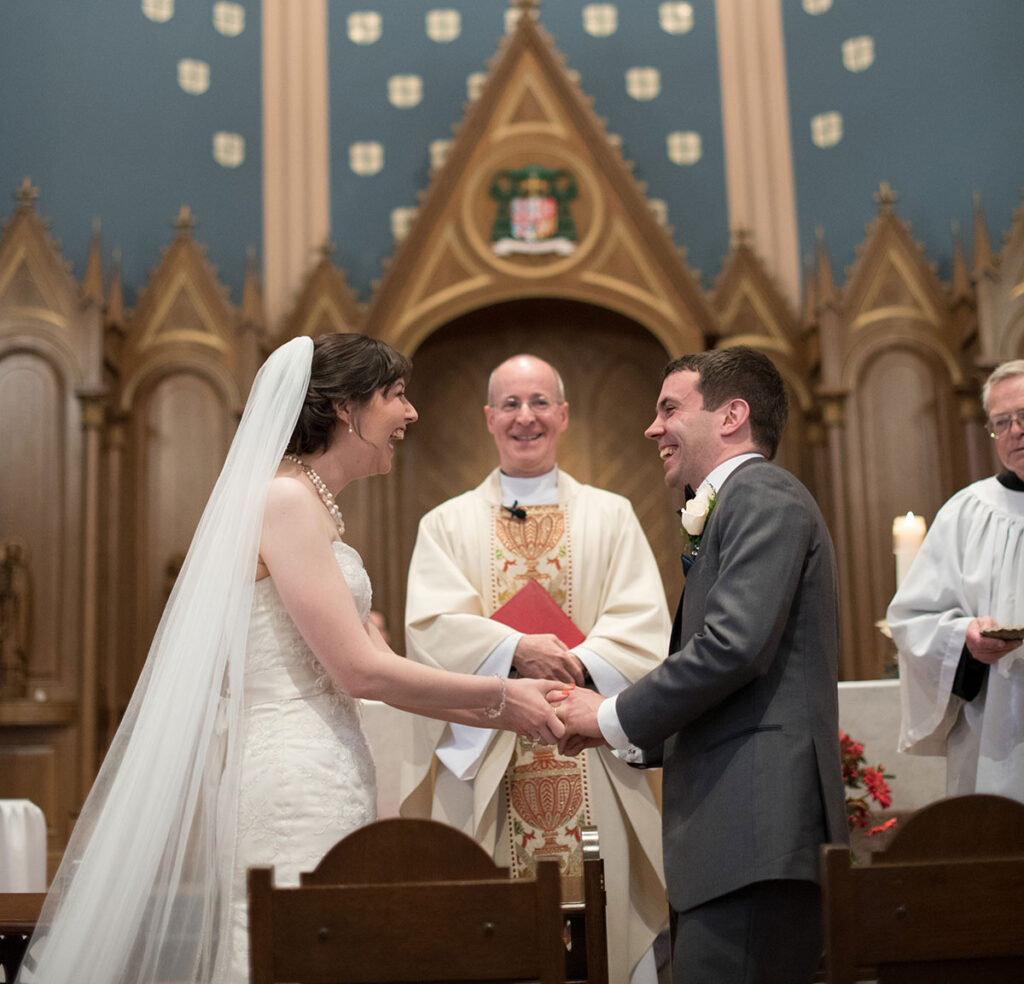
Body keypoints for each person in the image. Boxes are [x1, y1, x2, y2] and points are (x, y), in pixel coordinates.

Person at [18, 334, 564, 984]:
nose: (410, 413)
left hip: (328, 763)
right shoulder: (285, 502)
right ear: (343, 409)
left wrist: (491, 698)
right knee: (297, 955)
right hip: (293, 778)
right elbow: (360, 672)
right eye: (394, 395)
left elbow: (372, 659)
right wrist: (503, 701)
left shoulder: (309, 506)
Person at [555, 346, 848, 984]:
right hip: (738, 835)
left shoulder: (762, 492)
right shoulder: (738, 502)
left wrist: (609, 715)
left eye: (669, 408)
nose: (652, 428)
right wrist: (626, 739)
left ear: (731, 415)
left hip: (755, 832)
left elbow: (731, 648)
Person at [400, 354, 672, 984]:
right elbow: (431, 632)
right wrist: (517, 651)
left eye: (540, 402)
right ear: (489, 419)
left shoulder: (612, 514)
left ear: (564, 414)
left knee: (606, 927)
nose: (527, 418)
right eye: (512, 405)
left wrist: (573, 662)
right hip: (492, 755)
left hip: (590, 752)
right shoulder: (444, 525)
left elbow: (643, 628)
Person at [887, 359, 1024, 801]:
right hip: (997, 737)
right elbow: (912, 620)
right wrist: (963, 638)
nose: (1015, 431)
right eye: (1001, 423)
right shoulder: (968, 513)